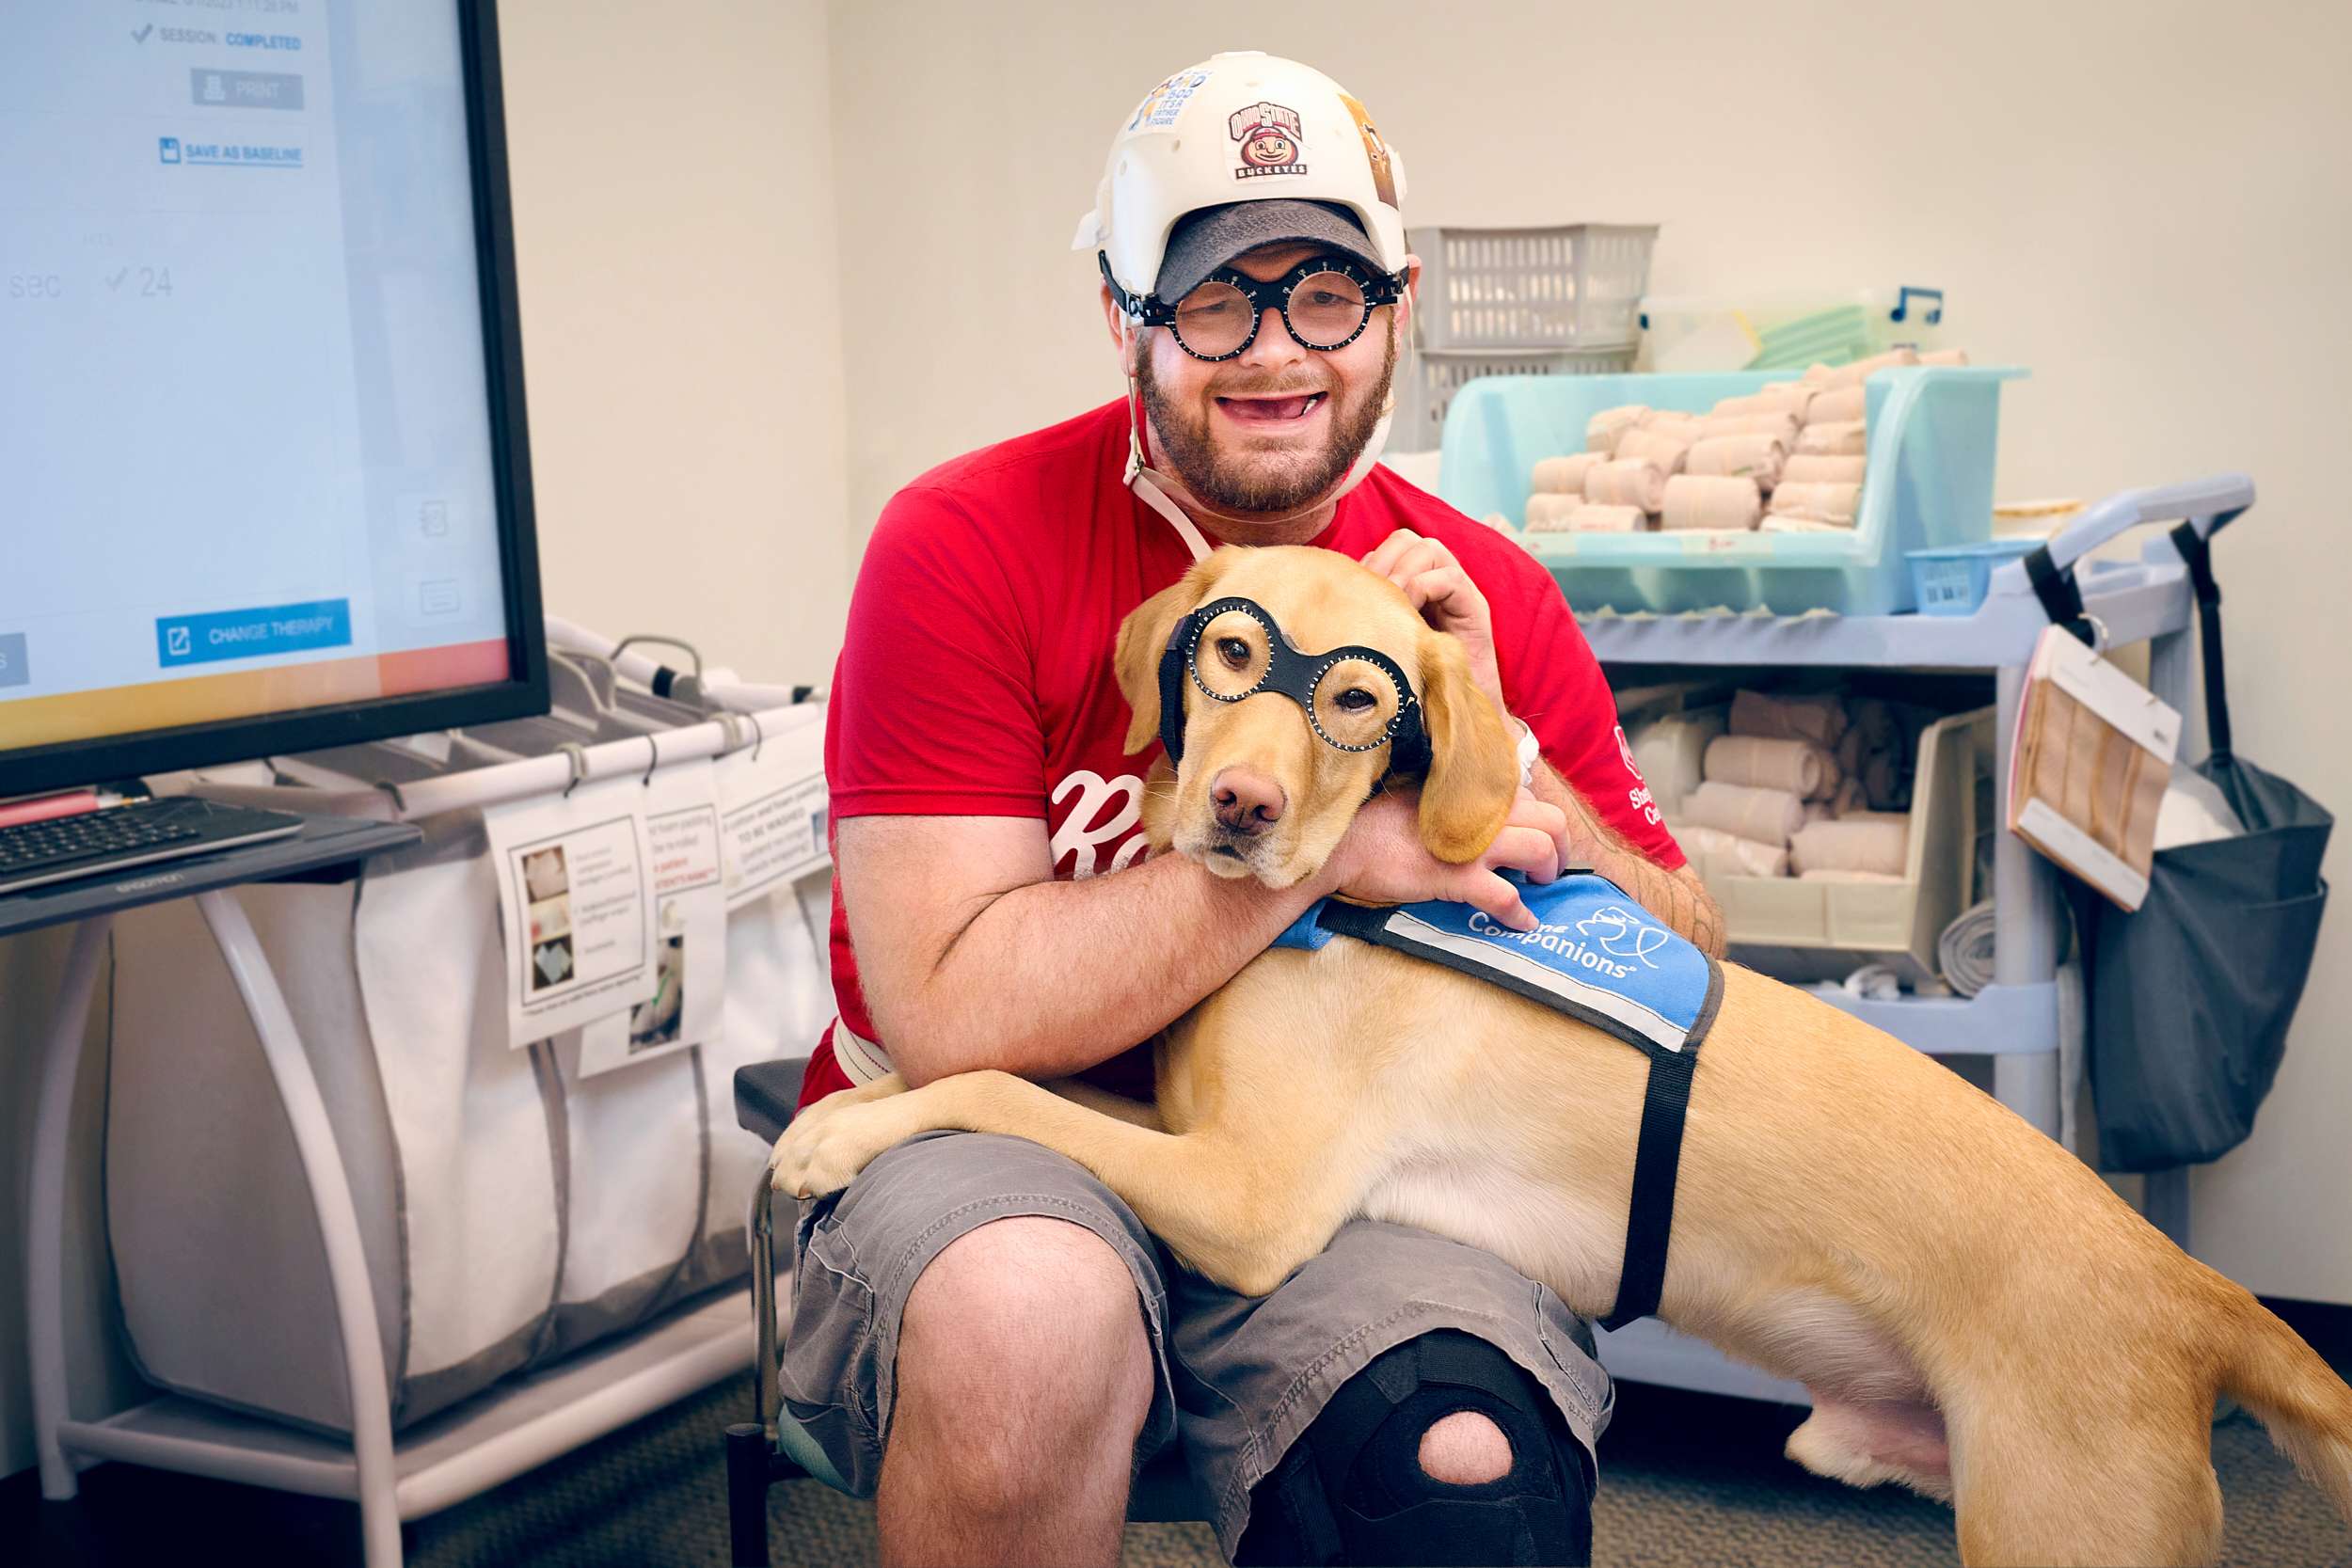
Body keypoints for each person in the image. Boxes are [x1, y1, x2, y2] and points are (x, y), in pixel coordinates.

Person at [777, 52, 1724, 1567]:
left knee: (1462, 1465)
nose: (1278, 351)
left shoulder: (1466, 598)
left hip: (1342, 1156)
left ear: (1395, 312)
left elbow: (1685, 953)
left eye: (1328, 294)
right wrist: (1332, 850)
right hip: (988, 1145)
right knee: (1031, 1324)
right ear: (1124, 318)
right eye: (1217, 299)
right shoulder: (963, 546)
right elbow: (953, 1012)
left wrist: (1495, 741)